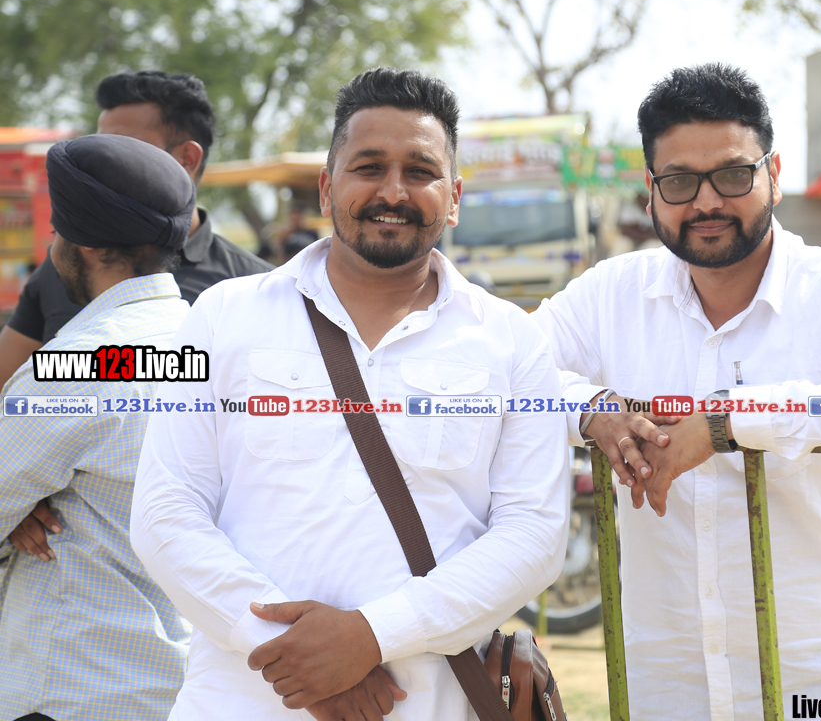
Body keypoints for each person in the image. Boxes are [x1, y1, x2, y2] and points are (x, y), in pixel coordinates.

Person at [130, 67, 568, 720]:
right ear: (326, 187)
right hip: (245, 699)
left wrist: (372, 636)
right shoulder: (222, 317)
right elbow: (165, 512)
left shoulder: (511, 340)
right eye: (368, 167)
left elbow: (534, 533)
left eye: (420, 171)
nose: (393, 190)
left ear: (453, 198)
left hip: (430, 703)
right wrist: (293, 656)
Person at [531, 63, 821, 719]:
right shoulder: (610, 296)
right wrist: (589, 409)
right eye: (679, 181)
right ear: (650, 192)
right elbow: (505, 376)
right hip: (668, 688)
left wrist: (730, 422)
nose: (706, 203)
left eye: (732, 175)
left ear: (773, 174)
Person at [0, 134, 197, 720]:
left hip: (75, 688)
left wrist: (17, 517)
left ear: (80, 243)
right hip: (187, 685)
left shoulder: (79, 364)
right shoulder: (215, 346)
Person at [0, 70, 272, 389]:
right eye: (100, 147)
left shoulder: (256, 286)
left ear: (187, 158)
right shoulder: (67, 264)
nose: (102, 163)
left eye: (124, 146)